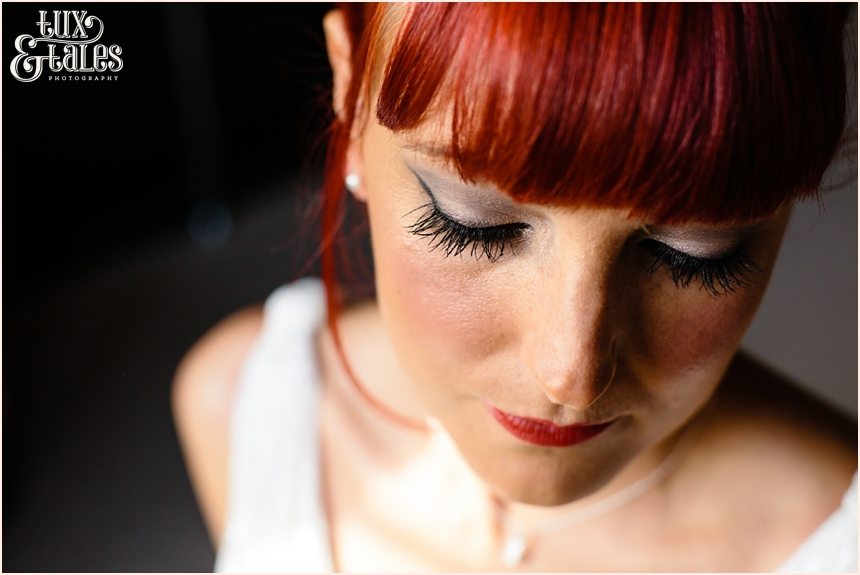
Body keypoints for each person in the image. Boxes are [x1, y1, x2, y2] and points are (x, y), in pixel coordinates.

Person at [173, 3, 858, 572]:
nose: (570, 372)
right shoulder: (245, 410)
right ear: (351, 97)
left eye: (694, 254)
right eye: (476, 225)